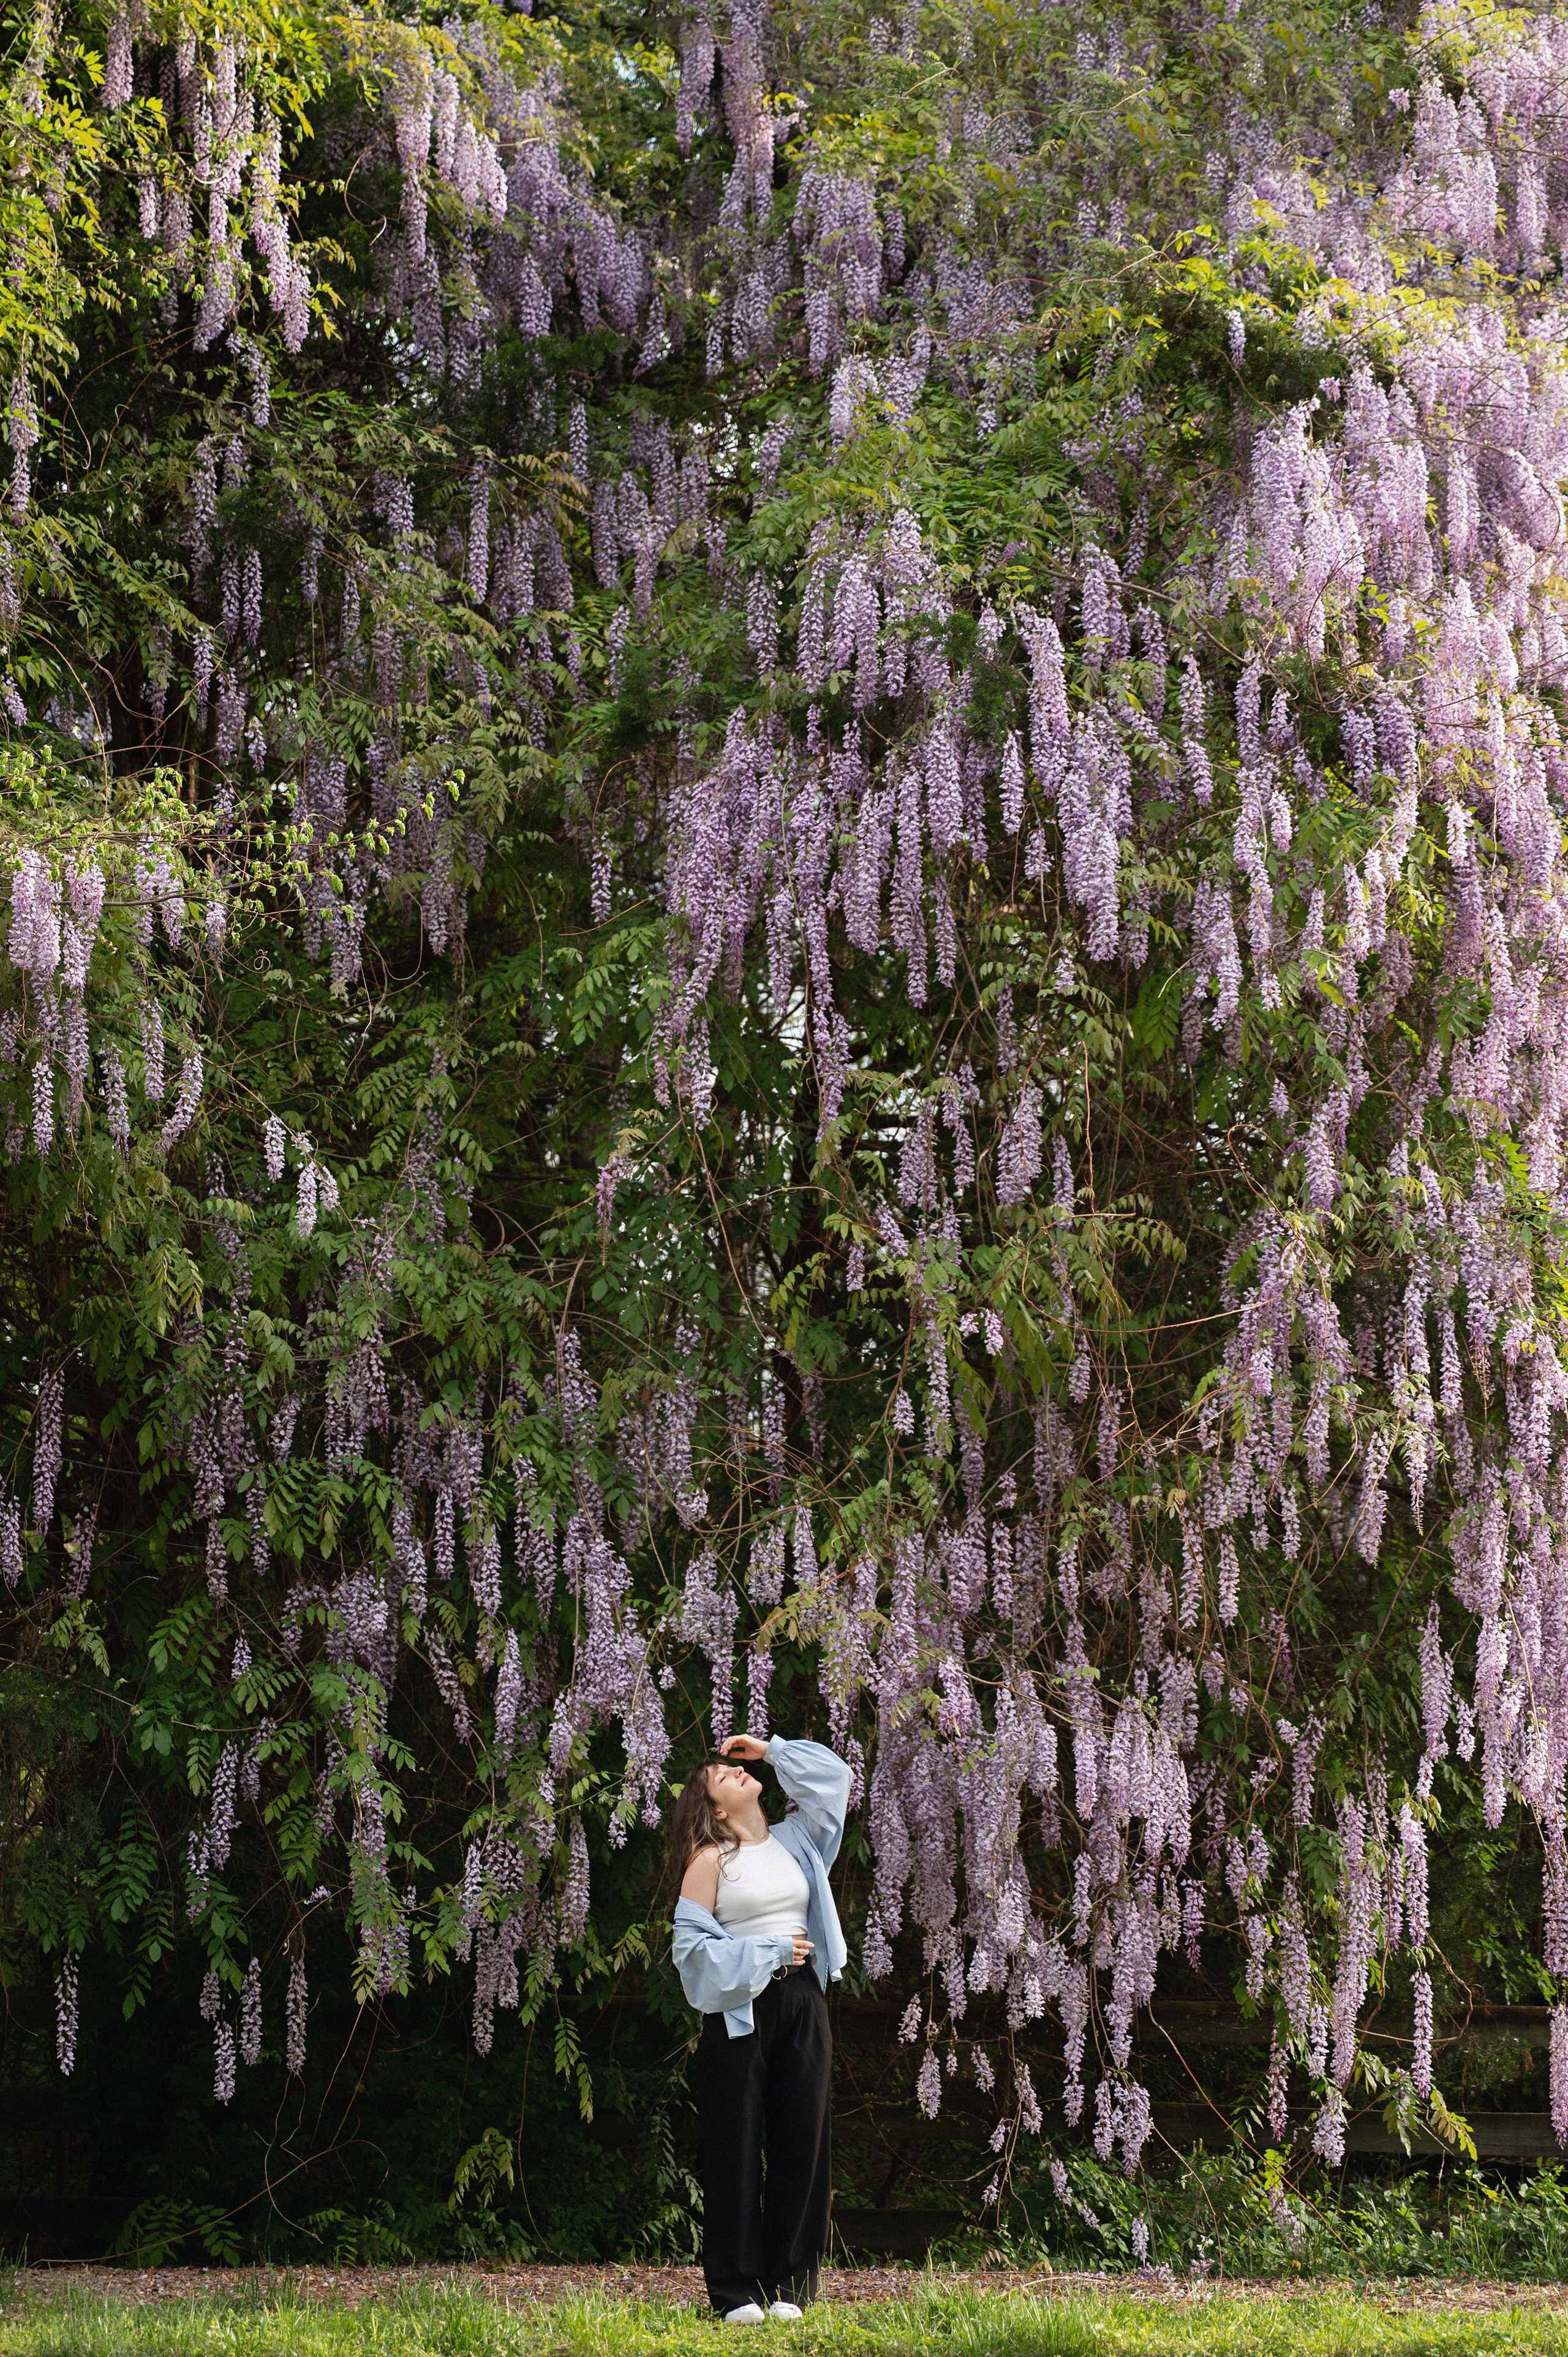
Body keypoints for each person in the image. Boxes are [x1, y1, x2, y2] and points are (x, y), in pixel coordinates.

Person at [670, 1729, 851, 2324]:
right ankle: (735, 2292)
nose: (735, 1770)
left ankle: (792, 2288)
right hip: (738, 2011)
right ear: (715, 1808)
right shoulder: (708, 1860)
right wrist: (770, 1948)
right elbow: (692, 1956)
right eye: (724, 1775)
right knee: (736, 2146)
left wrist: (771, 1750)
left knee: (804, 2140)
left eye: (734, 1766)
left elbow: (835, 1782)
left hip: (803, 2001)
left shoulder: (799, 1840)